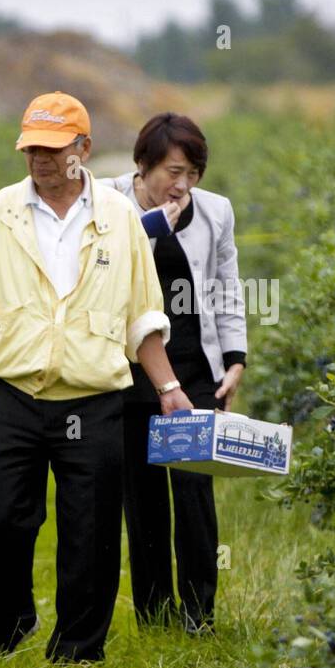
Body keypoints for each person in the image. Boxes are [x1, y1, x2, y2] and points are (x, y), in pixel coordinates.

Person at [0, 92, 192, 664]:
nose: (40, 159)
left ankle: (77, 651)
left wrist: (169, 389)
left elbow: (142, 315)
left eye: (52, 148)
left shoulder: (120, 220)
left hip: (92, 400)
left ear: (83, 148)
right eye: (31, 148)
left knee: (90, 532)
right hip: (12, 395)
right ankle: (10, 618)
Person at [100, 113, 247, 635]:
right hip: (130, 369)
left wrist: (235, 359)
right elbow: (107, 250)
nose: (183, 185)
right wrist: (159, 219)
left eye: (193, 173)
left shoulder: (215, 213)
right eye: (172, 171)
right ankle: (155, 618)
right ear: (143, 166)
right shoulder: (105, 200)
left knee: (193, 495)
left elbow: (227, 286)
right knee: (141, 502)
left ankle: (198, 616)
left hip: (192, 370)